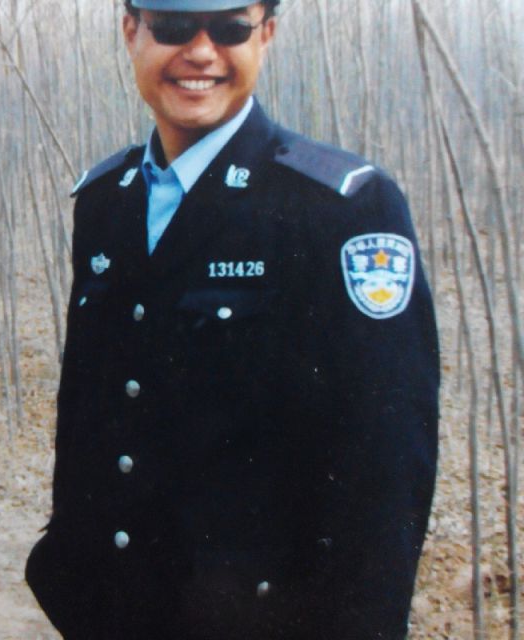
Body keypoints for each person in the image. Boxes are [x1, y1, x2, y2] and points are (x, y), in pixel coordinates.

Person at [25, 0, 439, 638]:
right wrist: (67, 562)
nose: (200, 52)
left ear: (265, 35)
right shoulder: (106, 201)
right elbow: (89, 406)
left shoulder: (337, 209)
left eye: (230, 28)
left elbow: (385, 475)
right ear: (131, 31)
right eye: (172, 27)